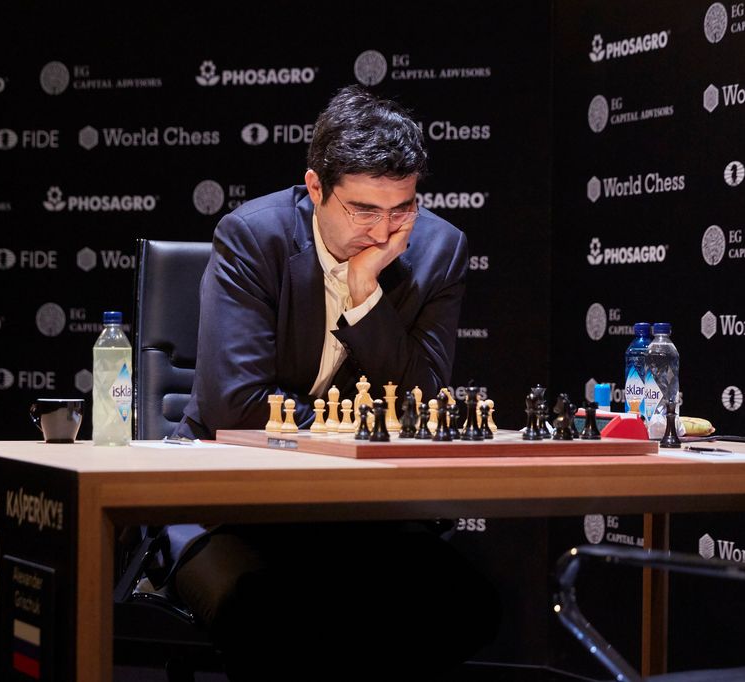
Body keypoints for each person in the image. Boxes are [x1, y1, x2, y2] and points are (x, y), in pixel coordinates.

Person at [164, 85, 498, 680]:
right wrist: (351, 430)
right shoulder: (252, 238)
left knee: (465, 606)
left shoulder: (438, 250)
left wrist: (367, 291)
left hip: (364, 515)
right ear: (315, 187)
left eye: (402, 209)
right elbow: (235, 405)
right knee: (277, 615)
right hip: (241, 508)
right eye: (364, 210)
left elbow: (419, 403)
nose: (385, 231)